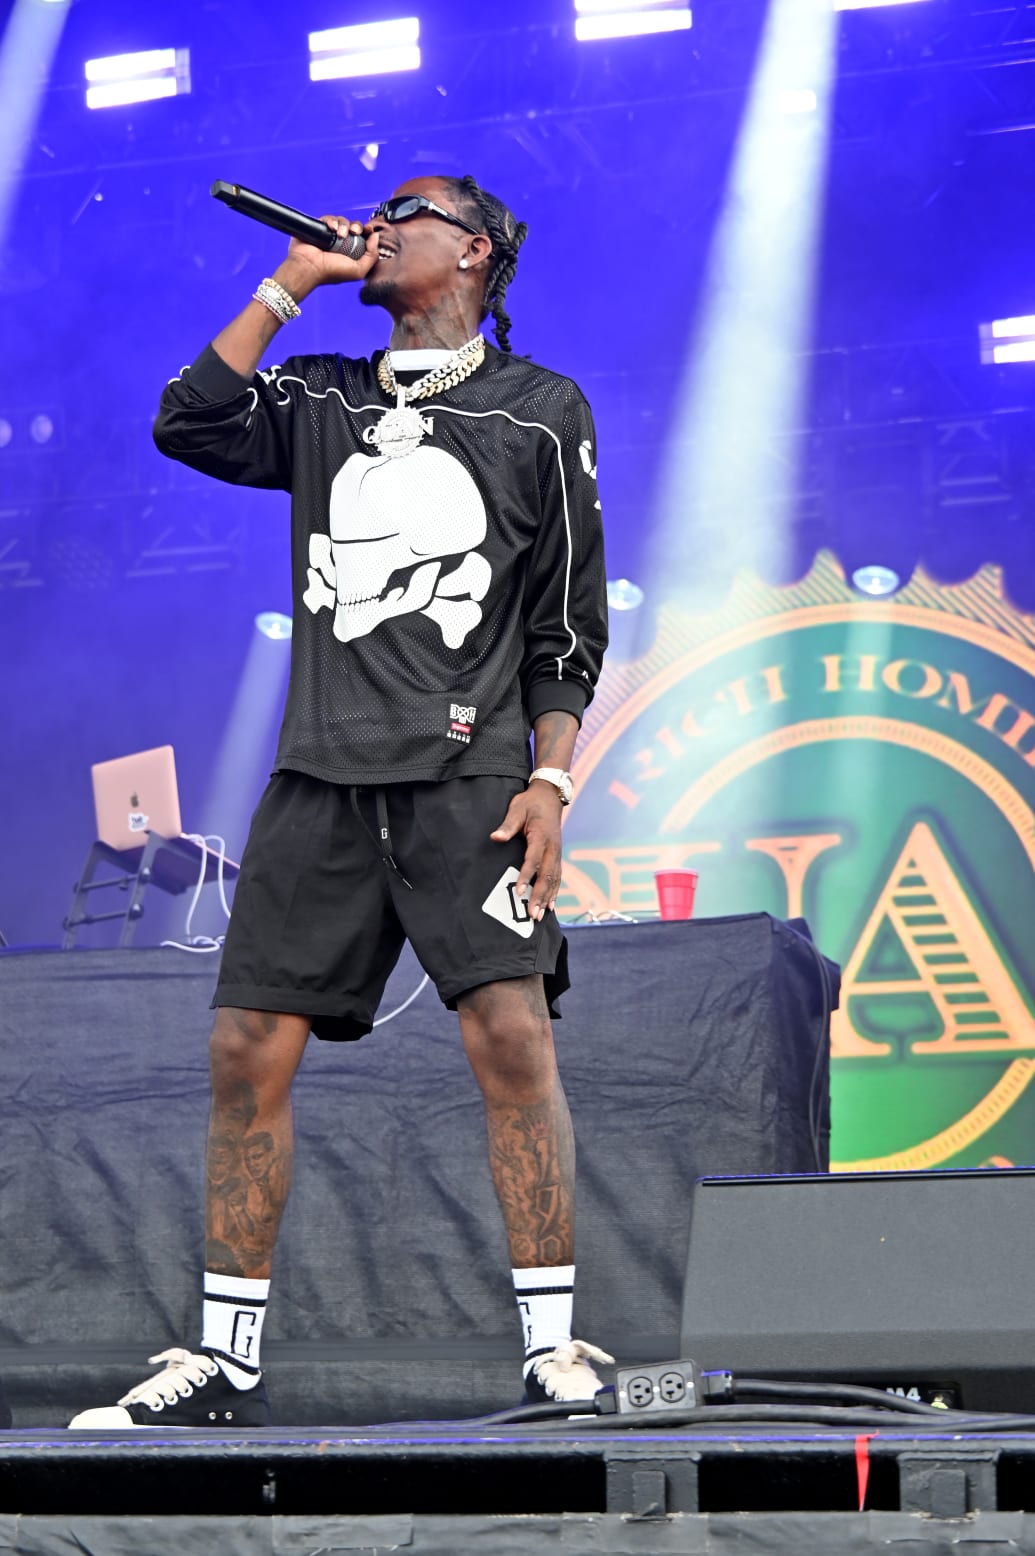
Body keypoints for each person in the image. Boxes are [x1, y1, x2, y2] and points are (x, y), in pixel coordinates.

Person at [69, 174, 609, 1429]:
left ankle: (555, 1348)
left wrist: (552, 777)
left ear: (471, 250)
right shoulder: (321, 390)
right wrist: (290, 278)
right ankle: (226, 1358)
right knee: (246, 1049)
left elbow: (566, 621)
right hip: (320, 770)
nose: (375, 222)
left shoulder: (540, 410)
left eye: (404, 210)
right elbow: (188, 419)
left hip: (467, 772)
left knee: (512, 1037)